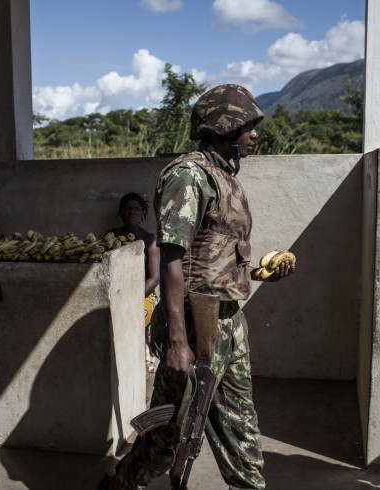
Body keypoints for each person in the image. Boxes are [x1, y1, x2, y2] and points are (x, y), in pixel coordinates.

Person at [102, 84, 295, 489]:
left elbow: (216, 254)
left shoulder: (224, 175)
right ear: (224, 127)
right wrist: (176, 339)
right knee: (169, 437)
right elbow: (173, 256)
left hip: (227, 321)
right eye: (248, 126)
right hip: (194, 323)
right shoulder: (188, 176)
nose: (255, 134)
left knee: (241, 429)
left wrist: (259, 274)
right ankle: (119, 484)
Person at [106, 192, 161, 372]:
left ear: (143, 213)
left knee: (139, 317)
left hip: (142, 294)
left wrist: (132, 297)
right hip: (114, 293)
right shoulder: (111, 236)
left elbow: (154, 278)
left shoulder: (149, 240)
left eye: (136, 209)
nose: (132, 212)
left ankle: (140, 366)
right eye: (128, 208)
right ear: (121, 212)